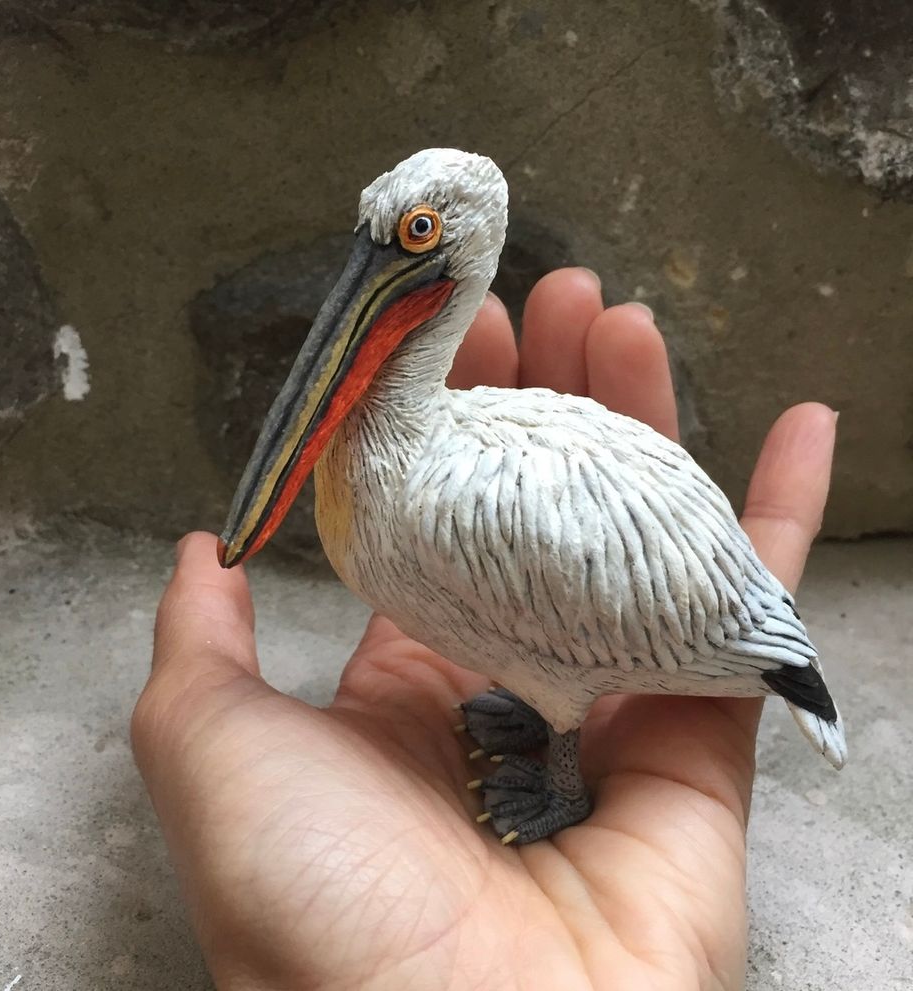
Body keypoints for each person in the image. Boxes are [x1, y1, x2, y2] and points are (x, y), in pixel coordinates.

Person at [131, 269, 837, 990]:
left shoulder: (443, 503)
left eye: (413, 239)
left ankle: (561, 788)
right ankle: (537, 701)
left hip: (724, 625)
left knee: (562, 680)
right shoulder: (426, 463)